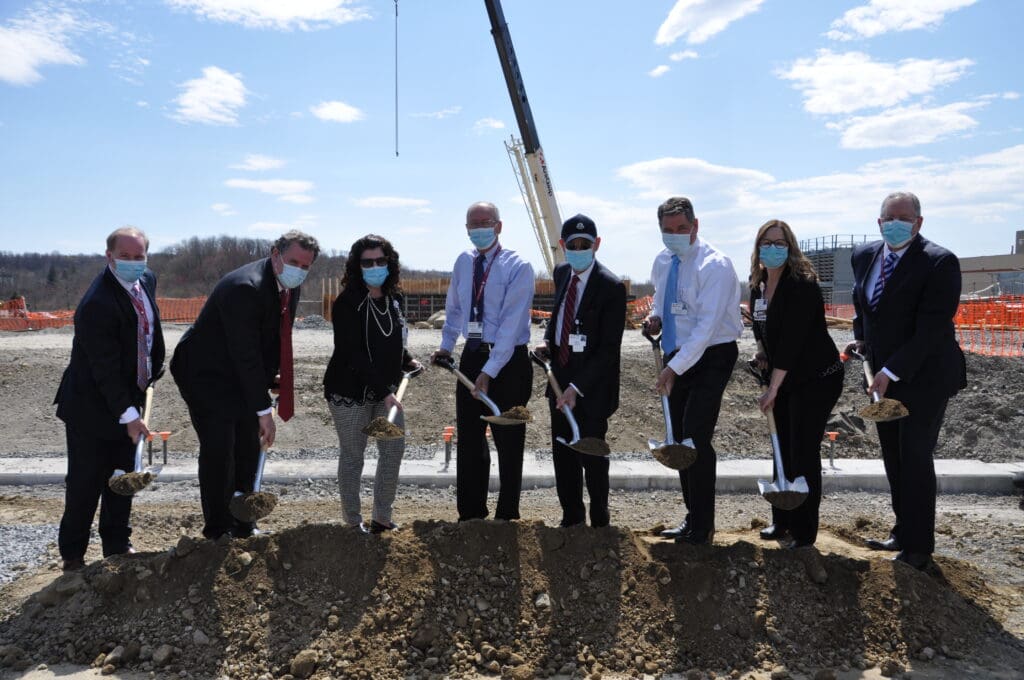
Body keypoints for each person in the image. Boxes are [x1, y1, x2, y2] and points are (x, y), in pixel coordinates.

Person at [171, 230, 319, 540]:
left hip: (239, 373)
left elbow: (274, 338)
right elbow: (245, 353)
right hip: (205, 375)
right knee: (220, 448)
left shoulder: (289, 286)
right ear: (275, 253)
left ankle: (243, 525)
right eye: (293, 261)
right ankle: (218, 529)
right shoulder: (245, 287)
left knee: (249, 448)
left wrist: (272, 378)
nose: (299, 270)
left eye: (306, 266)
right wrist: (263, 408)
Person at [846, 192, 966, 570]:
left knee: (914, 456)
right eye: (888, 217)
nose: (895, 223)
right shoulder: (865, 255)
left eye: (904, 217)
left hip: (925, 376)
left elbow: (931, 328)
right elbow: (864, 305)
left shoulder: (938, 262)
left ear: (918, 222)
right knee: (894, 457)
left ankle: (919, 550)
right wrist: (861, 338)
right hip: (882, 377)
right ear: (878, 222)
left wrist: (891, 369)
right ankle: (903, 530)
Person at [54, 226, 165, 571]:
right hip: (91, 406)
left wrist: (152, 370)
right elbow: (103, 369)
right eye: (125, 257)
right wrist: (129, 415)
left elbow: (145, 332)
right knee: (86, 483)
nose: (134, 263)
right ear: (110, 257)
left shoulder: (146, 280)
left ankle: (117, 544)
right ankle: (73, 556)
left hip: (128, 396)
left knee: (124, 476)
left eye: (139, 256)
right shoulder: (96, 304)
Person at [646, 196, 743, 545]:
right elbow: (661, 299)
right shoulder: (663, 260)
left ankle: (703, 526)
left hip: (712, 355)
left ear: (695, 226)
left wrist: (672, 369)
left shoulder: (715, 266)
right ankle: (691, 517)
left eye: (681, 229)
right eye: (667, 230)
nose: (674, 235)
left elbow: (705, 329)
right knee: (677, 439)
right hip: (677, 353)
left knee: (695, 438)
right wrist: (655, 318)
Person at [430, 201, 535, 521]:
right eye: (472, 225)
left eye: (485, 223)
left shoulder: (519, 266)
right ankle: (471, 513)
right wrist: (447, 347)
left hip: (508, 362)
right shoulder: (464, 262)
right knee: (471, 439)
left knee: (508, 438)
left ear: (499, 226)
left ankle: (507, 514)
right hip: (473, 355)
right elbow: (456, 309)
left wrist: (489, 373)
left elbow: (511, 325)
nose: (478, 230)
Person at [749, 220, 844, 548]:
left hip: (817, 378)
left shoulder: (801, 285)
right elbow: (761, 329)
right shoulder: (759, 285)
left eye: (780, 242)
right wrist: (761, 352)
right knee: (781, 447)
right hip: (786, 377)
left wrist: (773, 388)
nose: (773, 248)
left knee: (802, 450)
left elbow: (792, 342)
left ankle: (804, 532)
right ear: (758, 247)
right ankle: (782, 521)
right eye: (767, 242)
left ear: (790, 248)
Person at [323, 235, 422, 534]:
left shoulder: (394, 298)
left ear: (390, 263)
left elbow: (392, 339)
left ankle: (381, 517)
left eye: (381, 261)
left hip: (386, 391)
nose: (375, 266)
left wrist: (406, 360)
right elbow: (353, 354)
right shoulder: (347, 303)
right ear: (357, 266)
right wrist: (385, 392)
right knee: (354, 455)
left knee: (393, 451)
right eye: (368, 262)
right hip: (350, 392)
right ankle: (353, 521)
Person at [535, 214, 626, 528]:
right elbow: (559, 318)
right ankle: (571, 517)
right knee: (563, 454)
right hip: (559, 380)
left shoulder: (611, 287)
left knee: (592, 454)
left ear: (596, 245)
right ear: (562, 246)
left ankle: (600, 517)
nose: (577, 249)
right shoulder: (562, 273)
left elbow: (608, 350)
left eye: (584, 245)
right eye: (571, 245)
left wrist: (578, 387)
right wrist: (548, 343)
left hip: (592, 386)